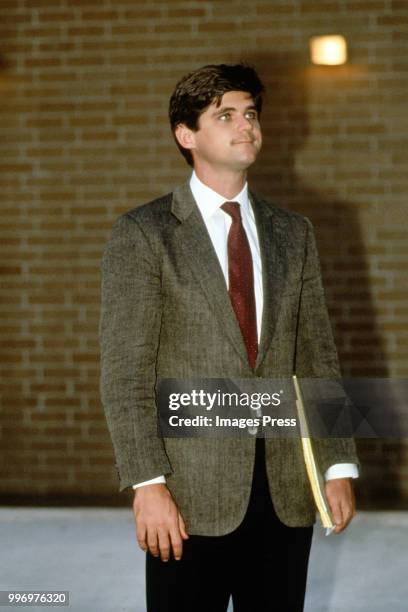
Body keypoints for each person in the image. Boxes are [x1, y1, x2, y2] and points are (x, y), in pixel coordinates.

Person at [99, 63, 359, 612]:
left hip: (286, 490)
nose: (246, 126)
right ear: (186, 135)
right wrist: (148, 484)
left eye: (251, 114)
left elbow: (317, 357)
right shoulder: (145, 235)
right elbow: (126, 373)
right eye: (226, 115)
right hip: (190, 493)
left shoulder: (295, 232)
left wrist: (336, 465)